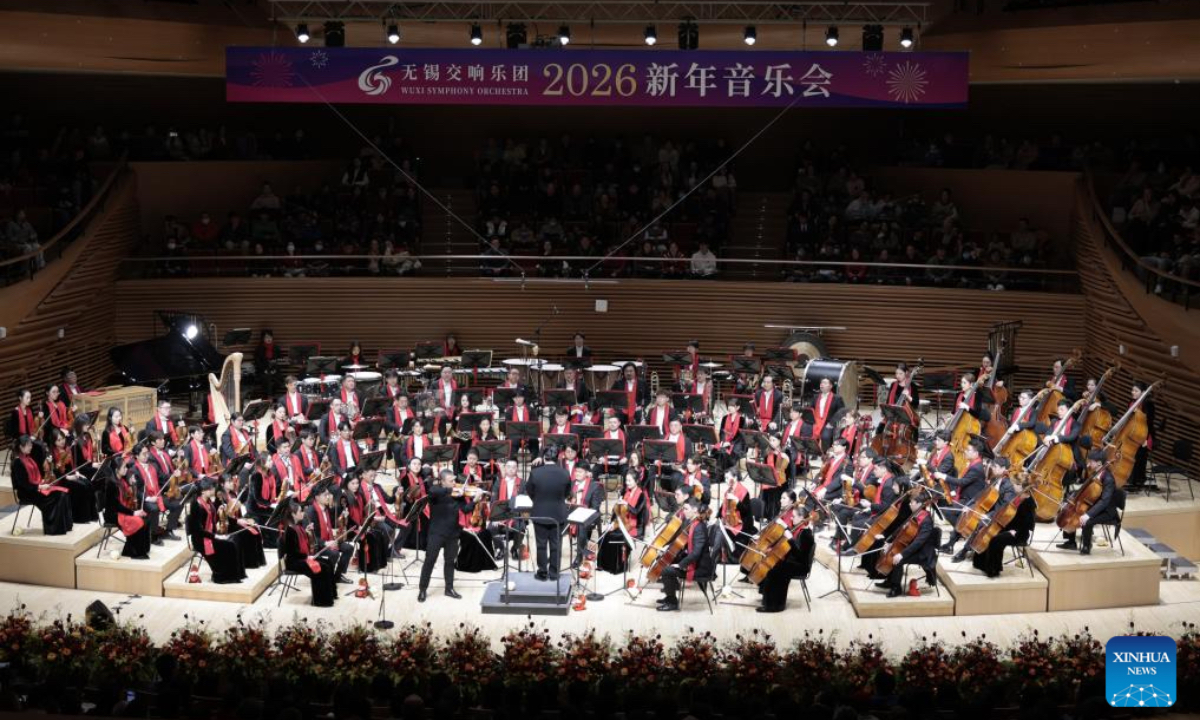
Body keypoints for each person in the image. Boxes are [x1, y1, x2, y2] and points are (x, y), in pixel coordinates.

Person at [417, 470, 472, 602]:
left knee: (450, 561)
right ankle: (422, 589)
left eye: (454, 480)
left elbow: (465, 509)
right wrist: (453, 490)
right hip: (436, 533)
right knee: (430, 561)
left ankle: (449, 588)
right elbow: (434, 492)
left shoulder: (457, 493)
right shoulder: (435, 490)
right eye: (451, 480)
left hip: (453, 532)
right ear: (442, 481)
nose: (454, 483)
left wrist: (474, 501)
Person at [973, 462, 1035, 577]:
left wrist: (1014, 531)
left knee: (996, 540)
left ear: (1021, 487)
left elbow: (1028, 524)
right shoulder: (1017, 497)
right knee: (988, 531)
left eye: (1015, 484)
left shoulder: (1028, 502)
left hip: (1020, 533)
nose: (1013, 486)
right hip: (1010, 526)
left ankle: (994, 569)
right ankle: (980, 563)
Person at [757, 491, 815, 613]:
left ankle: (774, 605)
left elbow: (800, 556)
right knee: (774, 566)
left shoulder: (806, 534)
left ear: (801, 518)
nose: (792, 518)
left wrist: (790, 540)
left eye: (794, 516)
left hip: (801, 566)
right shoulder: (800, 530)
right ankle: (770, 602)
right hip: (794, 562)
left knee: (775, 570)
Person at [935, 440, 989, 562]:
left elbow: (963, 482)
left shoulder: (977, 467)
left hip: (971, 501)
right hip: (965, 497)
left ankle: (963, 532)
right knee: (946, 506)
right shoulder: (973, 463)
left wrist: (944, 477)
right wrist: (954, 492)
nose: (965, 451)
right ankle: (953, 541)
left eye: (968, 450)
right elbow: (965, 483)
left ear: (976, 453)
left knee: (948, 510)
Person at [1058, 450, 1121, 555]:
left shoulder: (1108, 479)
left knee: (1086, 520)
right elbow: (1085, 490)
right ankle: (1071, 542)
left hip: (1107, 511)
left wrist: (1088, 514)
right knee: (1070, 510)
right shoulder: (1096, 472)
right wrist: (1072, 496)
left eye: (1091, 461)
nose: (1088, 464)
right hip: (1094, 504)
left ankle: (1086, 546)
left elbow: (1104, 501)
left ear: (1099, 463)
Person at [10, 434, 74, 535]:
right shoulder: (18, 462)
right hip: (27, 493)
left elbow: (35, 477)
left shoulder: (28, 458)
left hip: (35, 488)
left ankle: (65, 526)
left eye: (30, 445)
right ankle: (53, 529)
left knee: (63, 493)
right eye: (28, 445)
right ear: (21, 447)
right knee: (58, 496)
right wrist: (40, 486)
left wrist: (43, 482)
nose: (31, 447)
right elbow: (23, 485)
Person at [187, 478, 247, 584]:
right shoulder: (196, 505)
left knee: (233, 543)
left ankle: (234, 576)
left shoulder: (209, 502)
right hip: (200, 539)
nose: (213, 490)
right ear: (203, 491)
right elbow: (197, 530)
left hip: (210, 535)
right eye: (211, 489)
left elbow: (214, 520)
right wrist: (216, 537)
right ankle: (221, 577)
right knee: (227, 546)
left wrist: (221, 510)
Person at [879, 493, 938, 598]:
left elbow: (919, 542)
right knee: (891, 553)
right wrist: (891, 544)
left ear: (919, 504)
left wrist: (902, 554)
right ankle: (890, 581)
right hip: (914, 548)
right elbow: (903, 534)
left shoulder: (926, 520)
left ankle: (896, 588)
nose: (910, 504)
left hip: (923, 553)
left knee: (897, 560)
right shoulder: (915, 514)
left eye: (912, 503)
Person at [280, 498, 336, 607]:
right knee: (322, 568)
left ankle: (330, 595)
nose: (303, 513)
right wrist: (308, 557)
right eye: (300, 511)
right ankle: (322, 601)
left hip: (301, 558)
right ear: (293, 514)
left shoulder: (297, 527)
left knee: (328, 563)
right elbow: (293, 552)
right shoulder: (289, 530)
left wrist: (307, 532)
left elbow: (302, 543)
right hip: (294, 562)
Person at [657, 500, 712, 612]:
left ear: (695, 510)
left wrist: (681, 565)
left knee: (666, 570)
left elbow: (696, 553)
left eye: (686, 509)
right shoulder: (693, 523)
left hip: (701, 568)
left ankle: (672, 602)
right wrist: (668, 550)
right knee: (667, 561)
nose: (683, 511)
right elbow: (686, 546)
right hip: (697, 562)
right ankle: (669, 596)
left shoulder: (699, 528)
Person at [526, 447, 571, 581]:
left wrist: (538, 500)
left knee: (541, 544)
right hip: (558, 513)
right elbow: (567, 493)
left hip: (540, 512)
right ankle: (554, 573)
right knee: (556, 544)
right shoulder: (565, 473)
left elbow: (529, 490)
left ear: (544, 458)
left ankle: (542, 572)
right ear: (557, 458)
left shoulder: (535, 473)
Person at [103, 458, 151, 559]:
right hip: (114, 514)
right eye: (124, 467)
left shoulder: (122, 479)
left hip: (123, 510)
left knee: (146, 517)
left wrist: (133, 484)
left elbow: (127, 497)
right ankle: (136, 552)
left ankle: (135, 549)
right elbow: (116, 506)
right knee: (138, 521)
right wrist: (133, 513)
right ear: (117, 470)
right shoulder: (111, 484)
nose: (126, 469)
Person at [306, 484, 352, 582]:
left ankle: (337, 575)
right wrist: (325, 543)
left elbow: (331, 524)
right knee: (334, 553)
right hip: (317, 544)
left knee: (348, 548)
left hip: (329, 539)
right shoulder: (310, 512)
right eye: (325, 495)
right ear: (317, 497)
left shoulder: (326, 508)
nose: (328, 497)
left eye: (328, 494)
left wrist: (343, 516)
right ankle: (325, 577)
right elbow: (309, 536)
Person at [568, 465, 605, 569]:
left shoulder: (594, 486)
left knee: (581, 526)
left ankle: (579, 557)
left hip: (589, 515)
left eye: (580, 472)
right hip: (573, 513)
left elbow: (595, 507)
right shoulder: (571, 484)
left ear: (587, 473)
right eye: (576, 471)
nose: (577, 474)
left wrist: (582, 512)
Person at [254, 329, 280, 400]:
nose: (269, 339)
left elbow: (279, 360)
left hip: (274, 370)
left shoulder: (276, 348)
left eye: (270, 337)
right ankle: (269, 398)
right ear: (263, 339)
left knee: (278, 380)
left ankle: (269, 396)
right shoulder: (259, 349)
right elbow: (257, 362)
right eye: (266, 337)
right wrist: (264, 370)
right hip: (263, 371)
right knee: (268, 379)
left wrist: (274, 369)